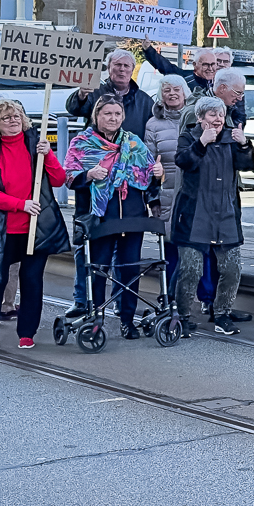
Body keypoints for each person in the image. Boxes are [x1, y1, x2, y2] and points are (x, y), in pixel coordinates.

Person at [0, 100, 67, 351]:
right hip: (2, 229)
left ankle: (27, 333)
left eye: (17, 116)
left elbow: (59, 179)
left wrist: (49, 155)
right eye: (6, 118)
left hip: (35, 229)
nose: (13, 121)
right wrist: (19, 204)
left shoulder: (35, 146)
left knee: (32, 281)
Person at [67, 94, 163, 337]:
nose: (112, 118)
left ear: (123, 116)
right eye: (107, 113)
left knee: (130, 269)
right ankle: (95, 318)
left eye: (117, 114)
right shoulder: (81, 142)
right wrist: (88, 175)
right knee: (98, 269)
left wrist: (158, 174)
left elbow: (148, 177)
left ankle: (127, 319)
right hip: (100, 217)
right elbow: (68, 176)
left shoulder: (134, 143)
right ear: (96, 116)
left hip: (132, 216)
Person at [173, 96, 254, 335]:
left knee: (231, 268)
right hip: (194, 213)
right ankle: (184, 316)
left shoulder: (231, 136)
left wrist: (244, 145)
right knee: (191, 269)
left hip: (225, 213)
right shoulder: (188, 136)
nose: (218, 119)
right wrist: (201, 143)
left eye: (220, 115)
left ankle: (222, 314)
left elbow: (248, 165)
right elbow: (183, 161)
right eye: (212, 115)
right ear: (200, 118)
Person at [144, 75, 190, 292]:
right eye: (167, 90)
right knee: (170, 245)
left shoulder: (195, 118)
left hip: (192, 189)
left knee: (195, 245)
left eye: (176, 90)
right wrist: (153, 196)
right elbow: (148, 161)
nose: (172, 94)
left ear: (184, 93)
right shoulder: (153, 124)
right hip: (167, 190)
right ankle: (170, 296)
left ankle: (198, 297)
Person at [66, 48, 155, 138]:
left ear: (132, 70)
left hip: (132, 150)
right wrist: (81, 95)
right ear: (109, 68)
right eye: (118, 64)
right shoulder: (94, 92)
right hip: (99, 149)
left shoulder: (145, 100)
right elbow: (73, 109)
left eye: (126, 66)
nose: (122, 69)